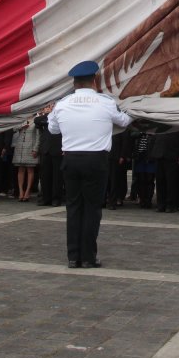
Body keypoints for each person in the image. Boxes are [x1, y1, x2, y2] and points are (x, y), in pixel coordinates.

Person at [48, 60, 133, 268]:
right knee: (92, 209)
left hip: (71, 159)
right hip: (96, 160)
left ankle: (73, 256)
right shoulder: (105, 102)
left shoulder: (63, 103)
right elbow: (123, 121)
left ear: (74, 83)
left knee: (74, 208)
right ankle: (87, 257)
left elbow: (53, 130)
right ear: (94, 81)